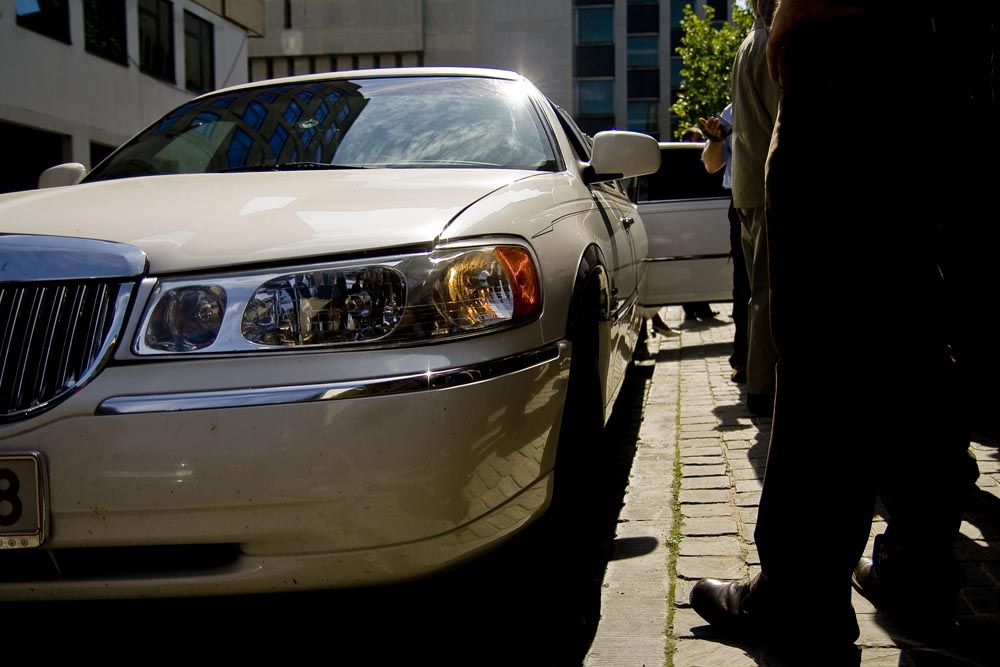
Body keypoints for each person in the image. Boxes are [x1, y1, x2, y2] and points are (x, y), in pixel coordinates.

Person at [688, 0, 992, 663]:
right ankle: (917, 572)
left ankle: (800, 598)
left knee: (827, 342)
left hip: (846, 53)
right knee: (912, 333)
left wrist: (799, 9)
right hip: (932, 59)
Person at [728, 0, 779, 416]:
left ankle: (762, 383)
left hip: (747, 187)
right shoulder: (768, 46)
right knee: (768, 291)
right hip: (765, 188)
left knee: (759, 290)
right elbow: (783, 119)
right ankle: (764, 389)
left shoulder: (747, 45)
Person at [699, 105, 748, 384]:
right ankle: (743, 358)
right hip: (743, 200)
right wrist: (716, 139)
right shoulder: (733, 110)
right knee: (744, 282)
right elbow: (710, 164)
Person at [678, 125, 720, 322]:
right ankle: (692, 308)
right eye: (697, 139)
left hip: (697, 224)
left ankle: (702, 308)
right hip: (686, 223)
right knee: (690, 267)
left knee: (699, 267)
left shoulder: (702, 159)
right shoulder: (686, 162)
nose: (700, 142)